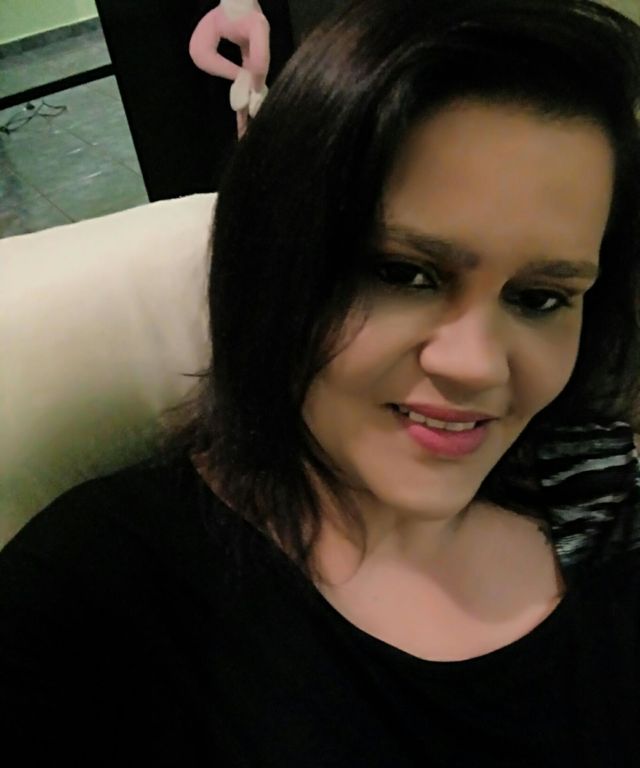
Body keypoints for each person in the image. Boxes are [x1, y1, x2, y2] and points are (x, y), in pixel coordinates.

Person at [2, 0, 640, 764]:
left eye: (539, 298)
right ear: (275, 265)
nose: (477, 365)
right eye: (403, 274)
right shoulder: (94, 589)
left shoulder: (602, 501)